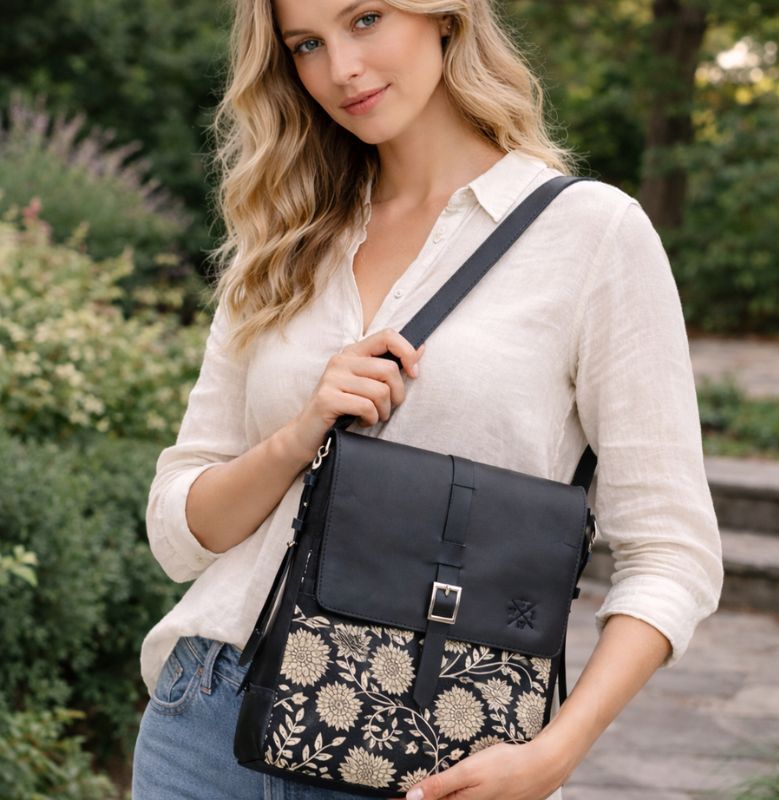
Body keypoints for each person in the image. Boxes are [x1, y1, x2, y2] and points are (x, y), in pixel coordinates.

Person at [131, 1, 724, 798]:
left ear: (444, 15)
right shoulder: (282, 240)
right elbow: (180, 530)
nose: (340, 67)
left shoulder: (592, 236)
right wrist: (298, 434)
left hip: (432, 751)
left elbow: (672, 553)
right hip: (205, 724)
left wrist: (556, 751)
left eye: (366, 18)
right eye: (307, 44)